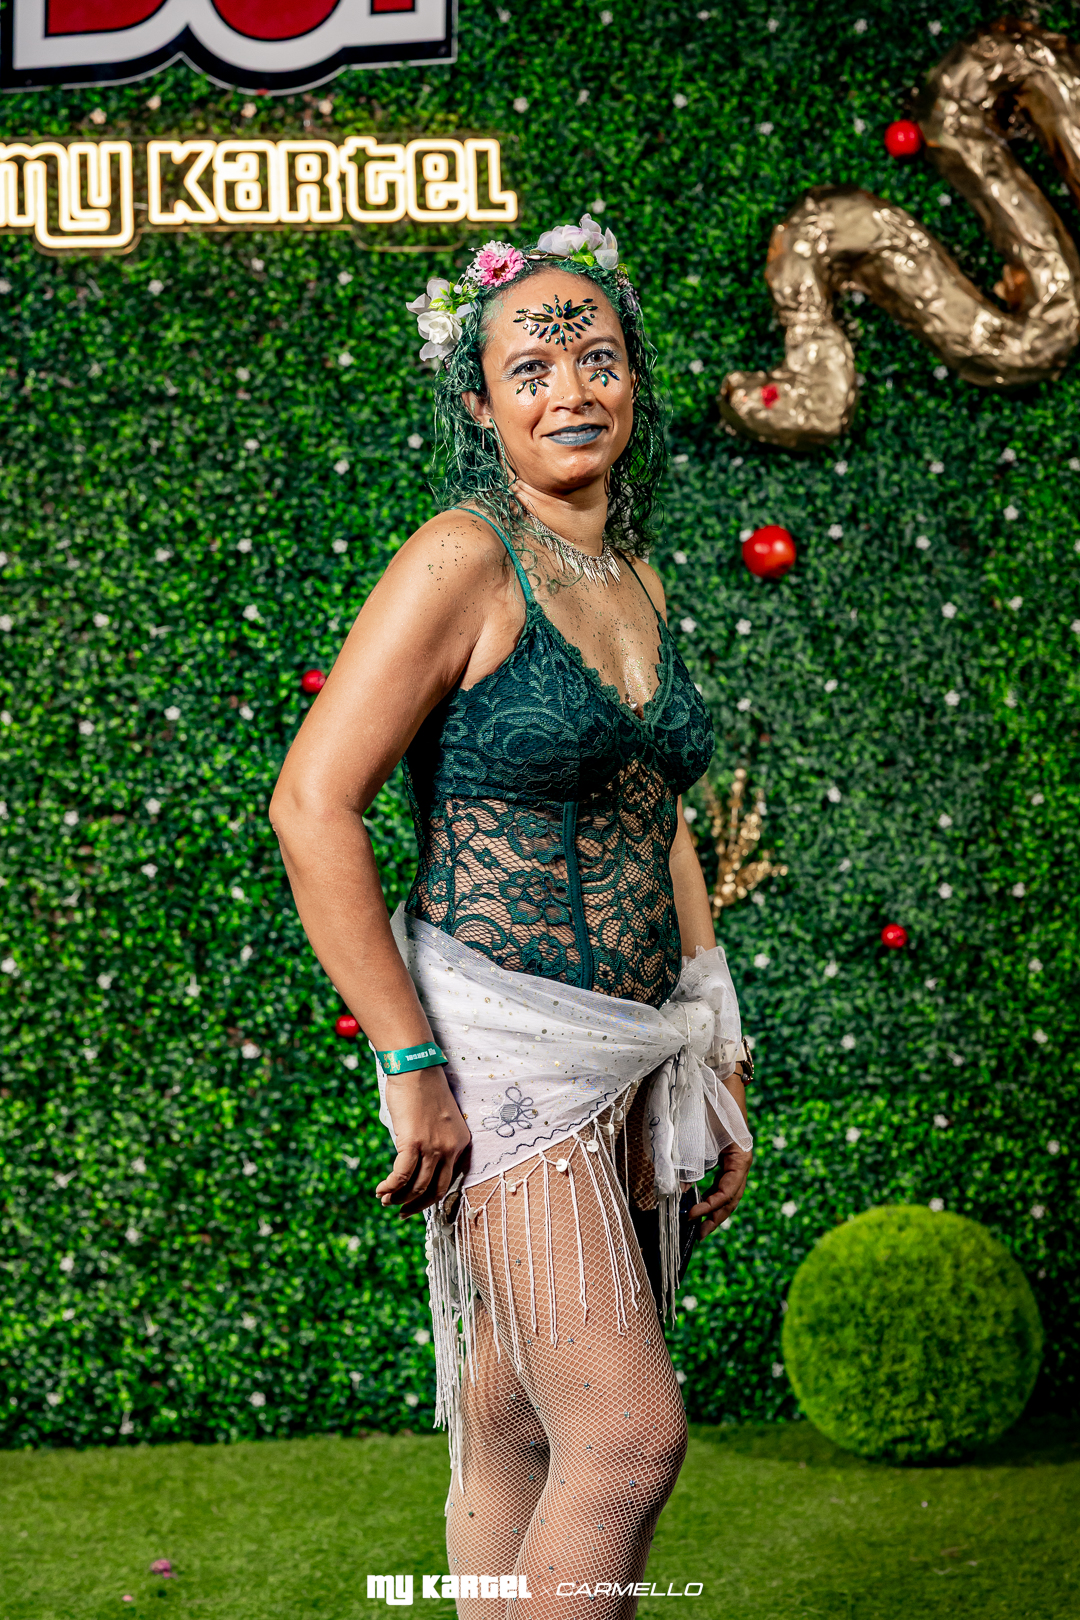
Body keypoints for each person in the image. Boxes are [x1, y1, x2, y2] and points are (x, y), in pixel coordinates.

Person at [270, 214, 754, 1618]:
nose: (570, 391)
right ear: (480, 405)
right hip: (507, 1050)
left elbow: (659, 815)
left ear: (634, 379)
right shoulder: (461, 558)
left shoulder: (634, 575)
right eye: (529, 370)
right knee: (628, 1435)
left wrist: (715, 1042)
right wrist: (407, 1059)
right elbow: (313, 805)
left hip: (637, 1043)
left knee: (515, 1409)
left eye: (596, 358)